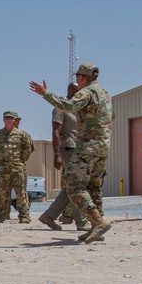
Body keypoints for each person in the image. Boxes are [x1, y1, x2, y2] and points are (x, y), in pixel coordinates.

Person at [30, 63, 113, 244]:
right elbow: (109, 118)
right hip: (103, 147)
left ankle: (98, 222)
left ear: (82, 78)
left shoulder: (87, 93)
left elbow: (68, 106)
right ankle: (95, 228)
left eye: (77, 77)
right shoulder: (105, 94)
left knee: (73, 186)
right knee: (93, 188)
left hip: (87, 147)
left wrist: (45, 94)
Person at [39, 83, 90, 231]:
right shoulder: (61, 107)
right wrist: (57, 155)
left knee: (73, 185)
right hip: (67, 148)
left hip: (77, 148)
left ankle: (49, 215)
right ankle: (81, 222)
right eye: (78, 90)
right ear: (70, 91)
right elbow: (56, 131)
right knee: (76, 184)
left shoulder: (76, 108)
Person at [0, 111, 33, 223]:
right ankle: (0, 216)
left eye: (10, 118)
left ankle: (24, 216)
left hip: (18, 169)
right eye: (6, 118)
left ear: (14, 120)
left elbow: (28, 148)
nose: (8, 119)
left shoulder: (22, 135)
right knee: (2, 193)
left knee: (21, 193)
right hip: (3, 169)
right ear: (3, 120)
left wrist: (21, 160)